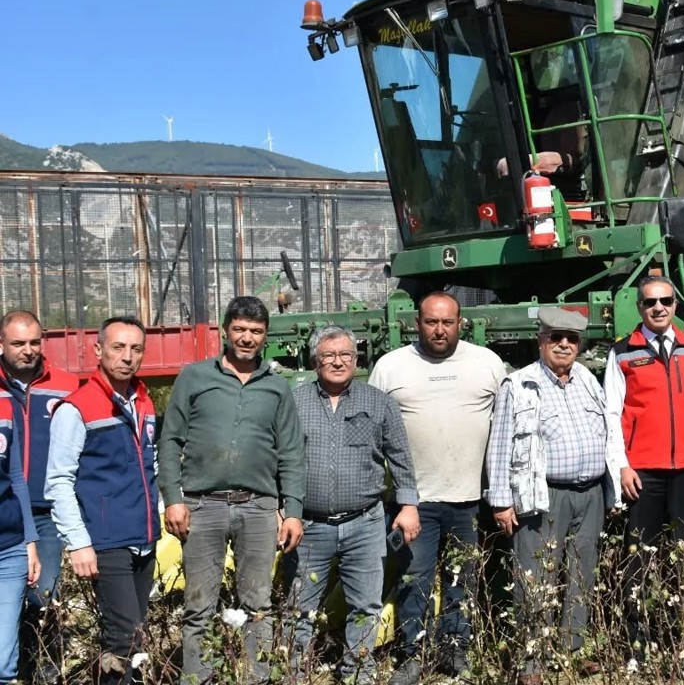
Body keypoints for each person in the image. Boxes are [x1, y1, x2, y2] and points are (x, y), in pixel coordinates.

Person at [157, 296, 306, 683]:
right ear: (225, 331)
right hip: (201, 506)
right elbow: (170, 440)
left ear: (265, 336)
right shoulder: (195, 377)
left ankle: (257, 677)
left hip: (258, 507)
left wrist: (292, 511)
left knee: (257, 604)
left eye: (256, 332)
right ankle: (198, 679)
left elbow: (290, 451)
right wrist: (173, 499)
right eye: (240, 329)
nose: (247, 338)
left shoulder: (276, 387)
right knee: (198, 607)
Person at [371, 291, 506, 684]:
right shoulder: (391, 366)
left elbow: (507, 425)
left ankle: (455, 650)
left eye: (447, 322)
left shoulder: (487, 363)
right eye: (431, 322)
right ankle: (413, 652)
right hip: (415, 501)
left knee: (461, 578)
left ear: (460, 323)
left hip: (470, 499)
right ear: (416, 324)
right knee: (414, 577)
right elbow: (374, 432)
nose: (440, 329)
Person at [485, 308, 620, 684]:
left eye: (572, 339)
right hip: (542, 497)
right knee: (535, 576)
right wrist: (500, 500)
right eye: (556, 337)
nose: (564, 344)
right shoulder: (520, 385)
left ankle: (574, 652)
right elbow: (500, 446)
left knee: (581, 573)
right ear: (540, 340)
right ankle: (533, 662)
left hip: (590, 494)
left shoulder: (588, 382)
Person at [286, 325, 420, 684]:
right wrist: (281, 510)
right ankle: (294, 674)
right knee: (299, 607)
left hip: (365, 523)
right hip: (308, 524)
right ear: (315, 361)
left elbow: (401, 459)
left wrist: (408, 505)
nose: (338, 362)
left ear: (357, 360)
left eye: (346, 354)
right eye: (328, 355)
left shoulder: (378, 402)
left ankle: (357, 673)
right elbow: (279, 459)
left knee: (365, 606)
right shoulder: (295, 403)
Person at [604, 276, 684, 668]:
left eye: (666, 301)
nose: (658, 307)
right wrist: (621, 465)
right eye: (650, 302)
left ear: (675, 305)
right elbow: (611, 415)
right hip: (643, 473)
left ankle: (681, 643)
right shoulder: (623, 352)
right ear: (639, 307)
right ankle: (637, 647)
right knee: (638, 559)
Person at [44, 317, 156, 685]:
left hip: (144, 539)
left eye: (135, 349)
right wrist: (78, 542)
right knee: (124, 638)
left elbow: (150, 465)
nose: (127, 357)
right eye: (118, 348)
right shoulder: (77, 408)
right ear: (98, 350)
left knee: (135, 641)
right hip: (106, 542)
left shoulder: (143, 401)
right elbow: (59, 480)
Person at [0, 310, 78, 684]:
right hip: (4, 512)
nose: (28, 350)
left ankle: (42, 674)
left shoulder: (66, 386)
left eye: (34, 342)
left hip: (46, 514)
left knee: (42, 599)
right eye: (18, 343)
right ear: (1, 343)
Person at [0, 382, 40, 684]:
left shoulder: (5, 403)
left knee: (3, 662)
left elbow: (16, 477)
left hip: (10, 547)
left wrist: (30, 540)